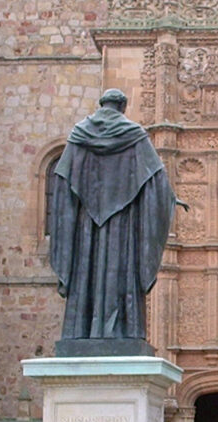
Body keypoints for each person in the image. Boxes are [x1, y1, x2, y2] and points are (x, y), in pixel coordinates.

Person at [49, 88, 184, 351]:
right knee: (120, 271)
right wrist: (170, 200)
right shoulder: (134, 136)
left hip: (87, 227)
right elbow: (157, 179)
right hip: (123, 227)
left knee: (88, 271)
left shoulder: (78, 136)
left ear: (102, 105)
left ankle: (82, 330)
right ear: (122, 107)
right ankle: (122, 328)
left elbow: (62, 181)